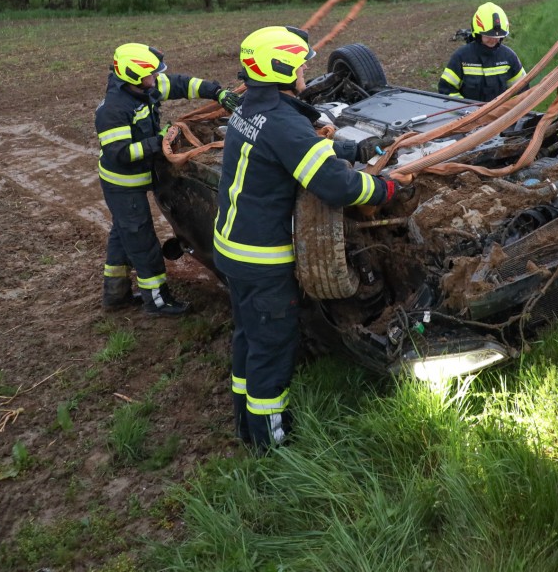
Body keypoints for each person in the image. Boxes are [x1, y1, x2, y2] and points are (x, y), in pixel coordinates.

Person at [214, 26, 402, 451]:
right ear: (279, 69)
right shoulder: (283, 122)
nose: (304, 72)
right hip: (262, 261)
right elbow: (338, 188)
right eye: (299, 65)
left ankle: (245, 419)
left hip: (232, 251)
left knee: (247, 336)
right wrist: (389, 187)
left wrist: (352, 151)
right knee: (273, 348)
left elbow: (297, 151)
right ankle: (269, 439)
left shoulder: (250, 107)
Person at [96, 43, 235, 316]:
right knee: (141, 239)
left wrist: (217, 92)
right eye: (151, 74)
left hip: (140, 176)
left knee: (123, 232)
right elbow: (122, 153)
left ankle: (115, 294)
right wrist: (159, 141)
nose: (156, 78)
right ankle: (157, 301)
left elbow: (182, 84)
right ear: (133, 76)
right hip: (124, 184)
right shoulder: (113, 110)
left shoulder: (144, 88)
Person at [438, 2, 527, 102]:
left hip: (501, 116)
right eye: (489, 36)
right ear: (478, 34)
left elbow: (521, 89)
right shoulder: (461, 57)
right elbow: (446, 90)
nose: (493, 40)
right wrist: (465, 109)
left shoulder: (509, 57)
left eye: (497, 36)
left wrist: (508, 109)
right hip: (469, 115)